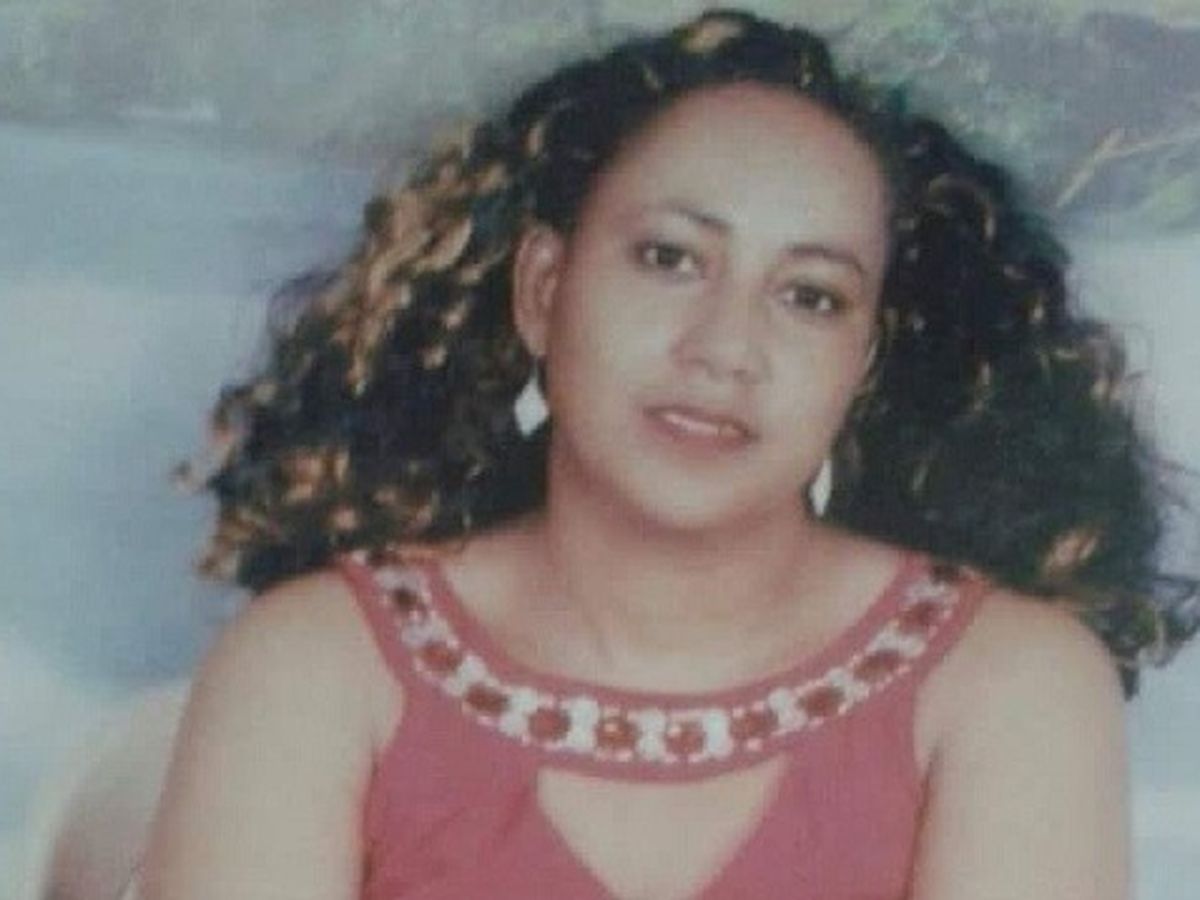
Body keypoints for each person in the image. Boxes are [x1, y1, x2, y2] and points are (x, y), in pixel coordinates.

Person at [141, 9, 1196, 899]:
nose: (725, 349)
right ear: (543, 290)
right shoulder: (315, 667)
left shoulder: (1008, 683)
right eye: (669, 258)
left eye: (810, 296)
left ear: (863, 363)